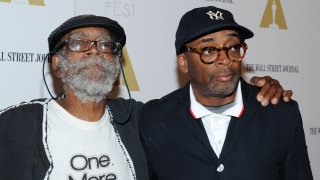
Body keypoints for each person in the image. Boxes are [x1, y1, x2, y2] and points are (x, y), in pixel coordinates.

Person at [0, 14, 291, 180]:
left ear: (116, 62)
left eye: (106, 44)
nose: (94, 50)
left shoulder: (140, 118)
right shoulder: (16, 125)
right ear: (56, 62)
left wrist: (257, 91)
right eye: (78, 43)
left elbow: (201, 102)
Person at [139, 6, 313, 180]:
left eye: (233, 47)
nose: (225, 59)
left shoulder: (280, 113)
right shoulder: (153, 119)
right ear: (184, 62)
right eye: (208, 50)